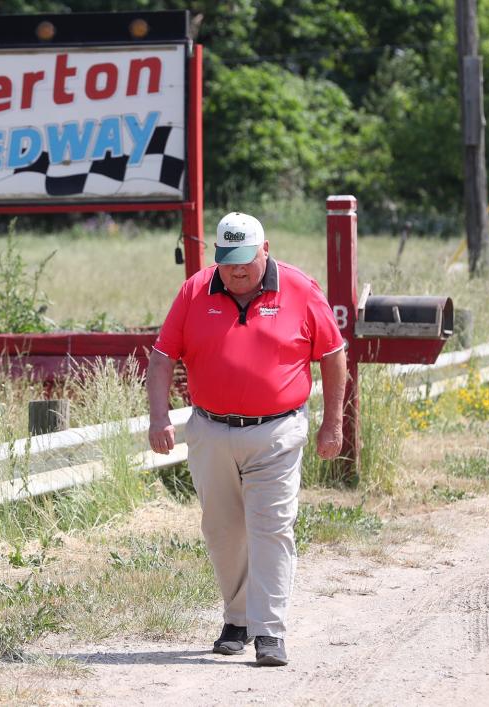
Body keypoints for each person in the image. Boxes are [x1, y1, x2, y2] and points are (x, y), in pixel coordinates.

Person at [147, 212, 347, 667]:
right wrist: (159, 418)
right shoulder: (196, 290)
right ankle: (236, 619)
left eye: (245, 260)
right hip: (210, 430)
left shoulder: (300, 289)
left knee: (271, 528)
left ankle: (269, 632)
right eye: (228, 261)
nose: (236, 270)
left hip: (277, 431)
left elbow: (334, 358)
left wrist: (331, 424)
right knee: (223, 531)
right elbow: (161, 360)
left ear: (266, 250)